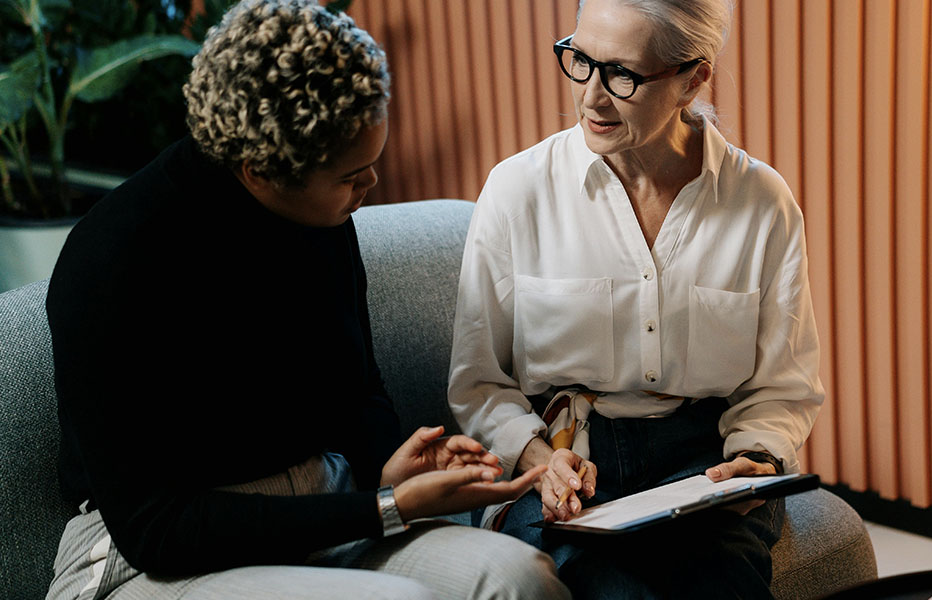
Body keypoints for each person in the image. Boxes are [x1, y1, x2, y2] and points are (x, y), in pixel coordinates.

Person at [44, 1, 570, 598]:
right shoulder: (114, 261)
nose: (369, 187)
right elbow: (155, 530)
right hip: (160, 558)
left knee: (520, 578)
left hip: (325, 510)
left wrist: (387, 469)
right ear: (259, 171)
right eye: (351, 176)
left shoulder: (321, 216)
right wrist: (383, 508)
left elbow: (356, 389)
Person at [448, 0, 824, 597]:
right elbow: (478, 380)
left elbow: (782, 384)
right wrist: (540, 460)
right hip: (564, 451)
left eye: (622, 75)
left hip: (702, 458)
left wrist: (758, 456)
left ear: (692, 79)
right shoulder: (518, 190)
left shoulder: (761, 202)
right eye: (580, 60)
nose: (592, 96)